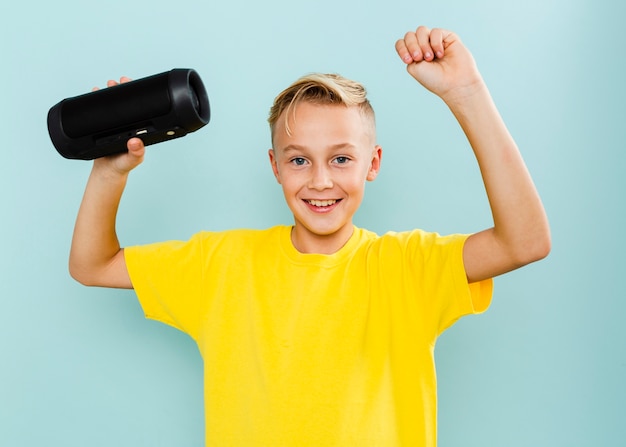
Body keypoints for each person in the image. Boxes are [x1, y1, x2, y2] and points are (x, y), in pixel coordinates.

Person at [69, 26, 551, 446]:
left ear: (373, 164)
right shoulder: (223, 264)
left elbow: (525, 241)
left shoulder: (408, 266)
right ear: (275, 167)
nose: (320, 180)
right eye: (299, 159)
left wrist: (466, 93)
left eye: (341, 158)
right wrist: (110, 172)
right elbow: (92, 265)